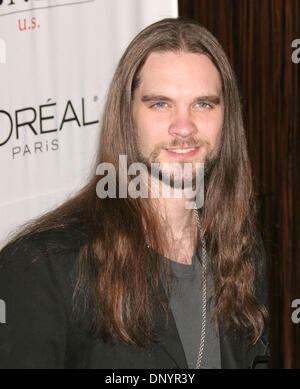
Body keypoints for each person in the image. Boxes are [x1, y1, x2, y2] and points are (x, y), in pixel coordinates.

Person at [0, 18, 270, 369]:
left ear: (226, 119)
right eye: (160, 104)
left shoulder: (240, 247)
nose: (184, 127)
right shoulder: (41, 267)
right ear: (127, 116)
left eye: (203, 104)